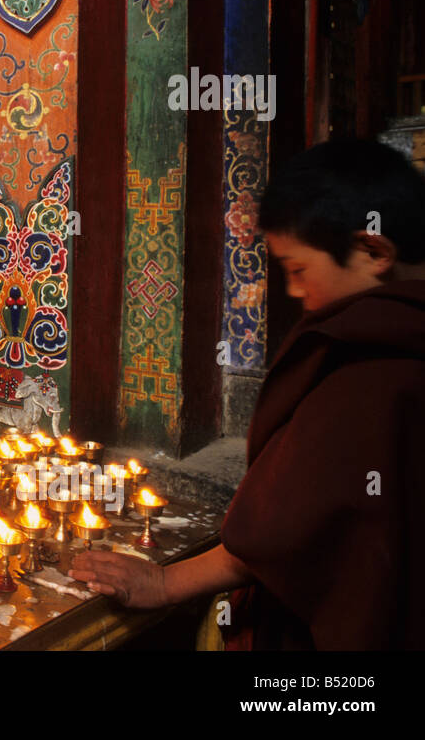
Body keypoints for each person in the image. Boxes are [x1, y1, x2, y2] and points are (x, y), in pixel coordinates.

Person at [70, 139, 425, 649]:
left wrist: (165, 582)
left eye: (299, 270)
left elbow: (286, 531)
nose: (297, 293)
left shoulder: (373, 377)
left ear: (373, 251)